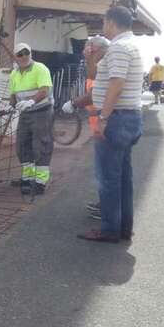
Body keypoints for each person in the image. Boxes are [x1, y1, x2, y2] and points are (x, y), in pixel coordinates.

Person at [77, 6, 144, 243]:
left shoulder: (118, 48)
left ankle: (109, 230)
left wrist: (103, 119)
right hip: (129, 117)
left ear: (111, 22)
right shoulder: (129, 46)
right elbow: (101, 76)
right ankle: (123, 227)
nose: (103, 27)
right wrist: (90, 57)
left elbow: (116, 83)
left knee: (108, 179)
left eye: (104, 22)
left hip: (116, 118)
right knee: (123, 177)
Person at [63, 35, 110, 220]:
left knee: (106, 169)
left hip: (104, 125)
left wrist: (73, 104)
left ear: (93, 49)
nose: (82, 53)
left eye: (85, 49)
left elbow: (94, 94)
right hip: (99, 123)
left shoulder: (104, 64)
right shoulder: (99, 66)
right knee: (105, 169)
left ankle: (106, 208)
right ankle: (104, 203)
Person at [9, 43, 54, 196]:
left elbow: (44, 90)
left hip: (41, 111)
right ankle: (27, 178)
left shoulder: (40, 68)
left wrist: (31, 101)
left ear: (30, 53)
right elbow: (13, 95)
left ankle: (40, 183)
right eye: (19, 54)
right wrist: (11, 106)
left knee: (41, 145)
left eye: (26, 52)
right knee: (22, 145)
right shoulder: (14, 74)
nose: (23, 56)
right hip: (25, 114)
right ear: (15, 57)